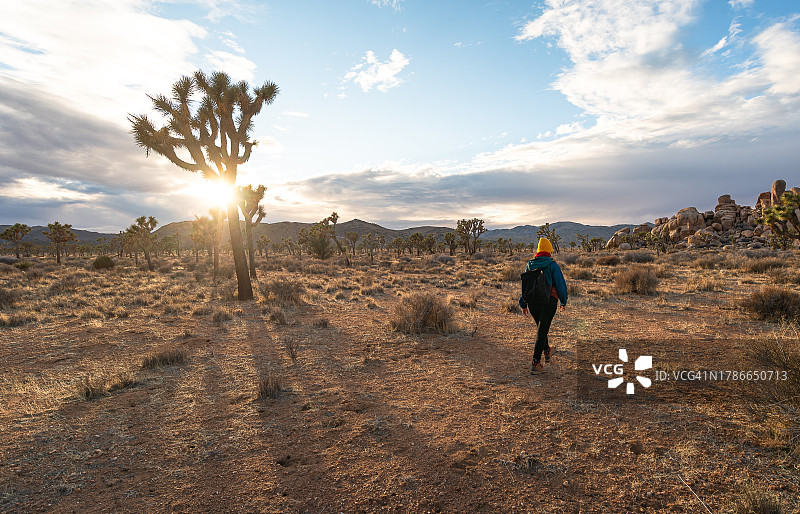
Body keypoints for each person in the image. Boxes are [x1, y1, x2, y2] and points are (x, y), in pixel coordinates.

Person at [519, 237, 568, 375]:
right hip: (548, 302)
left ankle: (547, 351)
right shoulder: (552, 265)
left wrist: (523, 303)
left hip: (533, 302)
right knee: (542, 330)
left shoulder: (530, 264)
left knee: (541, 328)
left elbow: (526, 286)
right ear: (549, 250)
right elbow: (560, 285)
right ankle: (535, 362)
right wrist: (563, 301)